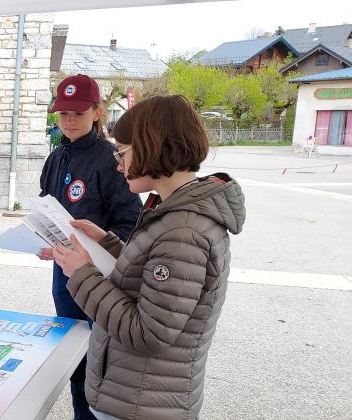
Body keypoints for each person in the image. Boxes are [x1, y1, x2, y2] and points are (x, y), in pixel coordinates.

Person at [52, 95, 246, 419]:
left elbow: (148, 333)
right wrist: (107, 243)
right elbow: (144, 276)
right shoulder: (173, 212)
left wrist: (82, 274)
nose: (118, 164)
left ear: (150, 147)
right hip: (136, 396)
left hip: (142, 405)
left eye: (122, 153)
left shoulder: (183, 233)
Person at [37, 74, 143, 420]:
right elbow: (46, 208)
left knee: (98, 362)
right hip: (64, 276)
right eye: (63, 113)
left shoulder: (112, 160)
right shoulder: (55, 157)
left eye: (78, 113)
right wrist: (41, 239)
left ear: (97, 112)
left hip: (101, 279)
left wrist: (96, 249)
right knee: (72, 358)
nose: (69, 120)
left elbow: (130, 225)